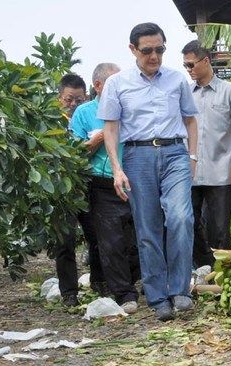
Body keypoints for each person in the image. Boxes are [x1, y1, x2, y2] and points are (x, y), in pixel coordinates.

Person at [97, 23, 198, 321]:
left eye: (160, 50)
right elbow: (111, 128)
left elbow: (190, 120)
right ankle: (157, 297)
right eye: (147, 50)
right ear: (133, 50)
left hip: (175, 153)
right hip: (137, 156)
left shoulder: (177, 80)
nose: (154, 56)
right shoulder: (117, 84)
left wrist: (192, 156)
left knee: (181, 217)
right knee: (147, 227)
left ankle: (180, 290)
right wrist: (116, 168)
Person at [69, 63, 141, 314]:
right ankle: (124, 293)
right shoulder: (84, 113)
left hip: (136, 180)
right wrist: (98, 138)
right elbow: (75, 154)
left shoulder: (131, 107)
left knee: (138, 237)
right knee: (110, 241)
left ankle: (135, 281)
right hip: (101, 183)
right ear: (98, 86)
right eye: (113, 82)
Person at [181, 40, 231, 266]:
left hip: (222, 172)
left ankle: (225, 274)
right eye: (185, 66)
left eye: (191, 65)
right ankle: (202, 269)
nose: (189, 70)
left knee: (220, 228)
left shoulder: (229, 91)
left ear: (205, 61)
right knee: (190, 223)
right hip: (191, 173)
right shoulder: (184, 94)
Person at [56, 74, 106, 307]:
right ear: (59, 99)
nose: (73, 104)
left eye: (78, 99)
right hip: (62, 189)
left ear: (86, 96)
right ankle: (68, 291)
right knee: (64, 241)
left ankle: (99, 281)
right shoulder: (51, 123)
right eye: (69, 99)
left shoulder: (88, 115)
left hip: (87, 184)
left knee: (95, 235)